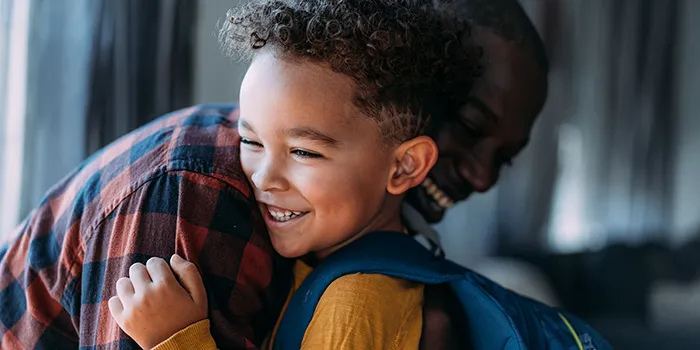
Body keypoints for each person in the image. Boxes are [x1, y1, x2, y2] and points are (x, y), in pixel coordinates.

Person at [0, 0, 478, 349]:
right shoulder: (326, 262)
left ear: (405, 165)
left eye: (304, 152)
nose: (263, 176)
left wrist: (176, 340)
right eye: (250, 141)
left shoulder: (356, 308)